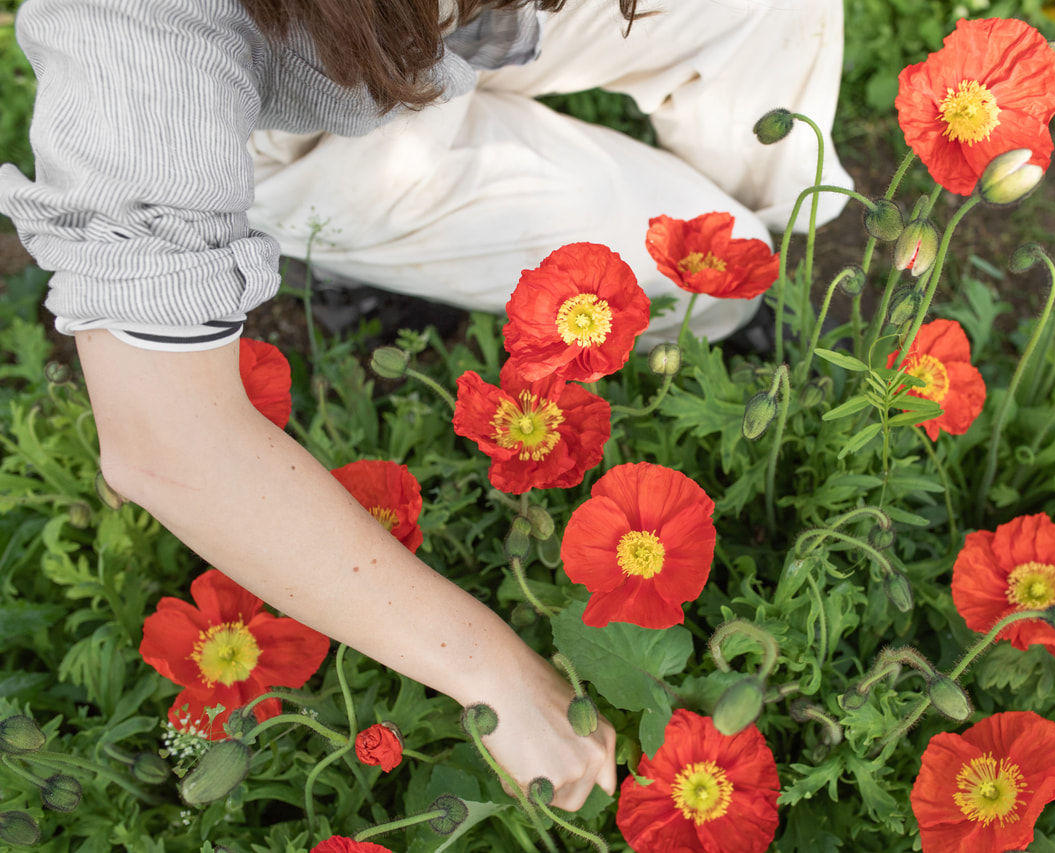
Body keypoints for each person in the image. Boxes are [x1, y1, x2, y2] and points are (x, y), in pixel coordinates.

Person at [0, 0, 852, 810]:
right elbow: (168, 440)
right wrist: (496, 676)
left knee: (766, 47)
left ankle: (768, 243)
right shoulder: (140, 44)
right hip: (309, 121)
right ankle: (340, 249)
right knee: (697, 282)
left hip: (470, 23)